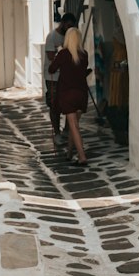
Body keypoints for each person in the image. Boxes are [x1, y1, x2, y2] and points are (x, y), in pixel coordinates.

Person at [51, 26, 90, 166]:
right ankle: (69, 153)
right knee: (74, 126)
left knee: (73, 125)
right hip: (81, 94)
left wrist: (57, 55)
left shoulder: (63, 54)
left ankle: (82, 156)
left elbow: (52, 69)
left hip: (67, 93)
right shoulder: (84, 54)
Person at [44, 11, 77, 153]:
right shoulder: (52, 37)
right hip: (54, 77)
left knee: (69, 103)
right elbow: (51, 57)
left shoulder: (71, 36)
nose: (68, 29)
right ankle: (56, 133)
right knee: (54, 104)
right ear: (62, 23)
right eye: (67, 26)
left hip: (67, 76)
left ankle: (66, 131)